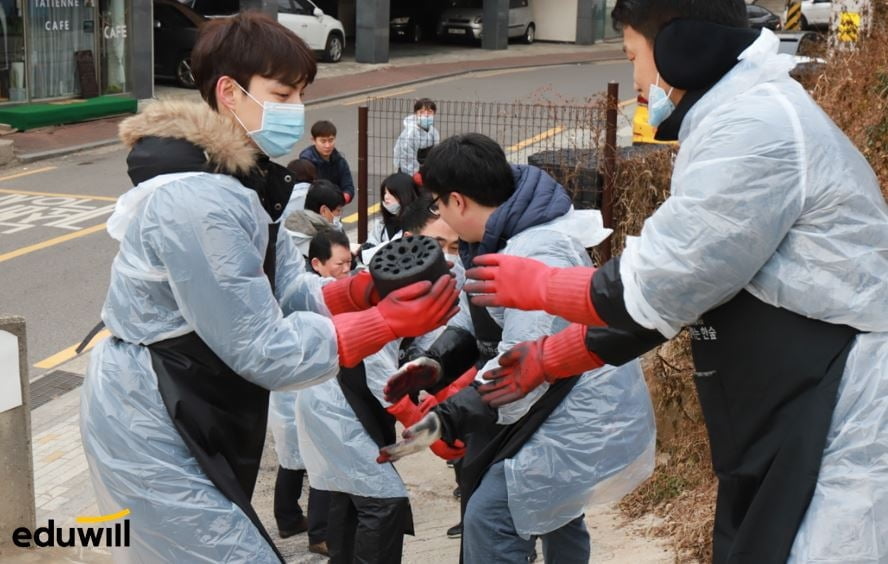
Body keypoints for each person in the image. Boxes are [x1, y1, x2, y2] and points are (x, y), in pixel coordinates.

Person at [462, 2, 888, 562]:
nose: (636, 79)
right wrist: (548, 357)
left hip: (833, 401)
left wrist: (543, 286)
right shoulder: (734, 121)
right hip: (788, 401)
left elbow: (660, 283)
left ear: (681, 48)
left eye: (635, 55)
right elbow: (686, 293)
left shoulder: (756, 127)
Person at [79, 13, 459, 563]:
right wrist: (387, 323)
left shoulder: (246, 182)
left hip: (192, 400)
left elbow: (285, 294)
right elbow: (263, 347)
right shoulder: (197, 200)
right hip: (151, 415)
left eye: (300, 94)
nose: (294, 110)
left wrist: (363, 293)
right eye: (282, 93)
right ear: (229, 92)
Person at [380, 133, 656, 564]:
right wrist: (433, 363)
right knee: (553, 514)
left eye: (438, 204)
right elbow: (479, 315)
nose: (440, 216)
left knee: (492, 516)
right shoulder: (504, 234)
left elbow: (519, 368)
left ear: (459, 201)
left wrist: (445, 420)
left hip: (572, 411)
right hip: (553, 402)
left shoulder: (535, 248)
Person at [295, 227, 466, 564]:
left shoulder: (404, 291)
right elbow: (388, 386)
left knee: (352, 495)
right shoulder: (383, 302)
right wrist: (430, 432)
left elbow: (425, 349)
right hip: (338, 409)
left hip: (342, 406)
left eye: (454, 246)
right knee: (383, 501)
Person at [268, 229, 353, 557]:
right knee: (319, 461)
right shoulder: (306, 293)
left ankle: (288, 518)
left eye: (349, 262)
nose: (345, 269)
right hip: (304, 389)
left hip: (295, 389)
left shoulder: (314, 287)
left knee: (293, 458)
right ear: (316, 263)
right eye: (339, 263)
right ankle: (320, 534)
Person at [361, 172, 419, 263]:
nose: (386, 197)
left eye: (391, 193)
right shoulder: (381, 223)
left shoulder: (418, 224)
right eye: (384, 193)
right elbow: (370, 245)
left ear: (404, 195)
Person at [298, 120, 356, 204]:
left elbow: (348, 187)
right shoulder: (305, 164)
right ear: (313, 140)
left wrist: (340, 201)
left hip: (334, 208)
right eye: (323, 141)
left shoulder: (340, 161)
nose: (327, 145)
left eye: (331, 140)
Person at [285, 178, 345, 257]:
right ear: (323, 210)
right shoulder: (313, 242)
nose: (339, 214)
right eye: (338, 210)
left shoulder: (293, 227)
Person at [393, 97, 439, 175]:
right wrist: (415, 175)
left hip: (424, 170)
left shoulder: (434, 132)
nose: (426, 115)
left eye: (430, 112)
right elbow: (407, 158)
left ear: (434, 113)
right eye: (421, 112)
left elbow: (435, 154)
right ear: (416, 114)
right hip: (409, 172)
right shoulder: (411, 133)